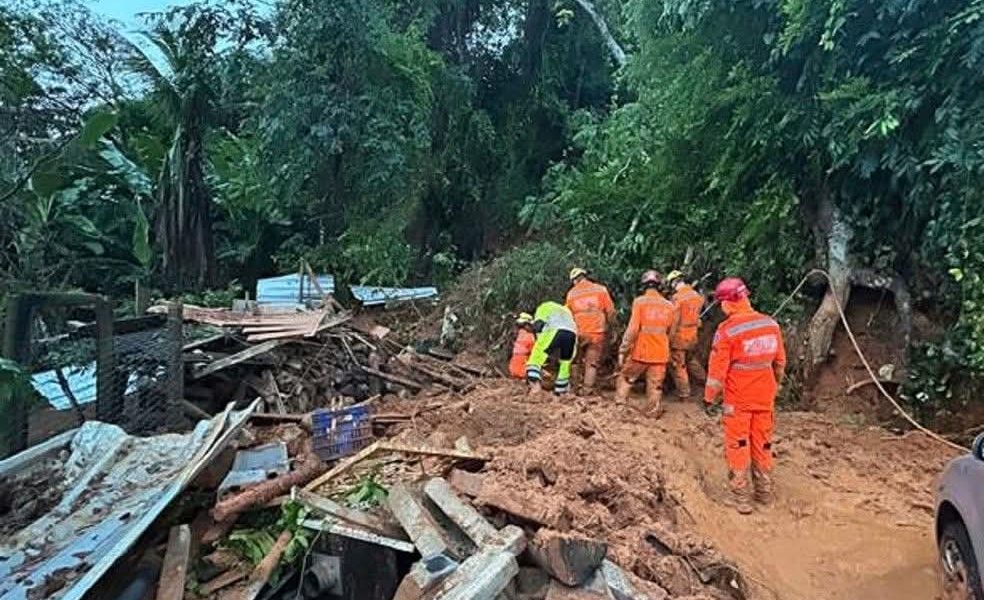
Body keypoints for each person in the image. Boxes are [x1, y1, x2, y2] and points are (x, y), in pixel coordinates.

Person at [704, 277, 786, 515]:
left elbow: (717, 373)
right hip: (765, 397)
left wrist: (709, 398)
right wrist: (775, 385)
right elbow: (780, 363)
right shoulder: (771, 324)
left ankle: (741, 498)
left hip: (738, 400)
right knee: (763, 442)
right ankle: (764, 493)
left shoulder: (727, 331)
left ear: (727, 303)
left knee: (738, 444)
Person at [615, 271, 679, 415]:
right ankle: (652, 411)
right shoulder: (670, 306)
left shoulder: (640, 302)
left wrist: (623, 348)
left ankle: (620, 406)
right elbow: (672, 333)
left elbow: (632, 329)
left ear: (643, 286)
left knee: (627, 378)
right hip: (660, 353)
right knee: (655, 385)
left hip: (641, 351)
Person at [565, 267, 616, 394]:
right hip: (597, 332)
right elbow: (610, 311)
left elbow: (567, 315)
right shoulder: (600, 289)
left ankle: (574, 388)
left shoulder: (571, 294)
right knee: (591, 363)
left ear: (574, 280)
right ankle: (587, 390)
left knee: (575, 361)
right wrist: (612, 327)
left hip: (578, 333)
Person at [666, 270, 706, 398]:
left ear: (674, 283)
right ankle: (705, 382)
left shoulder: (677, 298)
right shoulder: (696, 296)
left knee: (679, 365)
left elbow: (675, 322)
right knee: (691, 361)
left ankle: (684, 394)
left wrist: (669, 340)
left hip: (680, 337)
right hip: (693, 336)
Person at [525, 301, 578, 396]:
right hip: (572, 334)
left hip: (554, 330)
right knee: (565, 363)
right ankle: (561, 391)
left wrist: (539, 343)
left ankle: (535, 388)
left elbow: (538, 325)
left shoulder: (543, 306)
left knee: (535, 359)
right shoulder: (566, 310)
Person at [509, 313, 536, 379]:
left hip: (514, 361)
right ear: (526, 325)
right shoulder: (529, 336)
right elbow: (533, 350)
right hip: (523, 360)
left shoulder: (517, 334)